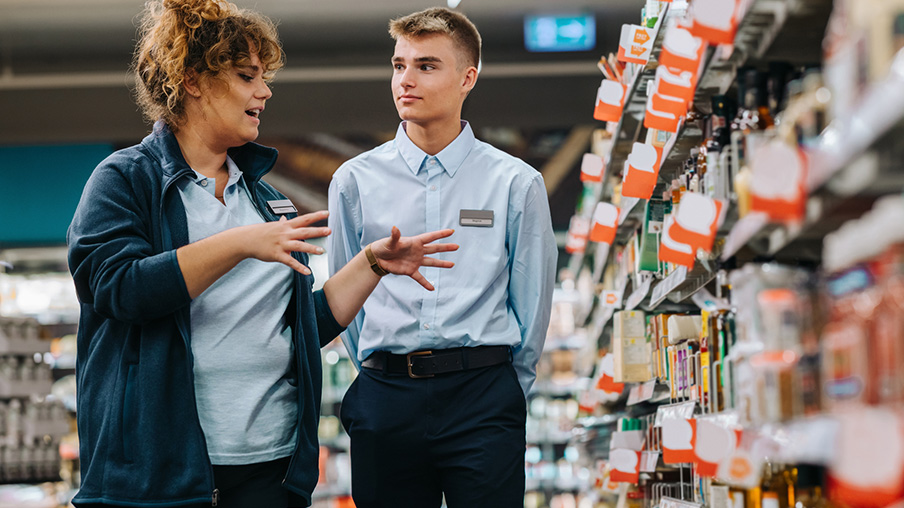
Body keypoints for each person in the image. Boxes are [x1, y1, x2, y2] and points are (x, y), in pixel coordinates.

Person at [66, 1, 457, 507]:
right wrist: (240, 243)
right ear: (193, 81)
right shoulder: (126, 180)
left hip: (269, 468)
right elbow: (117, 288)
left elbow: (297, 326)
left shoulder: (264, 199)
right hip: (159, 473)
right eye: (248, 76)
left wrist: (373, 263)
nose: (265, 91)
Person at [327, 7, 557, 508]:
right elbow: (345, 301)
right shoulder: (354, 181)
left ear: (467, 78)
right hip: (386, 397)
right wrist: (378, 368)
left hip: (483, 396)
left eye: (426, 66)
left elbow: (533, 301)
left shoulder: (515, 183)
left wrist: (504, 390)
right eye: (398, 65)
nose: (405, 80)